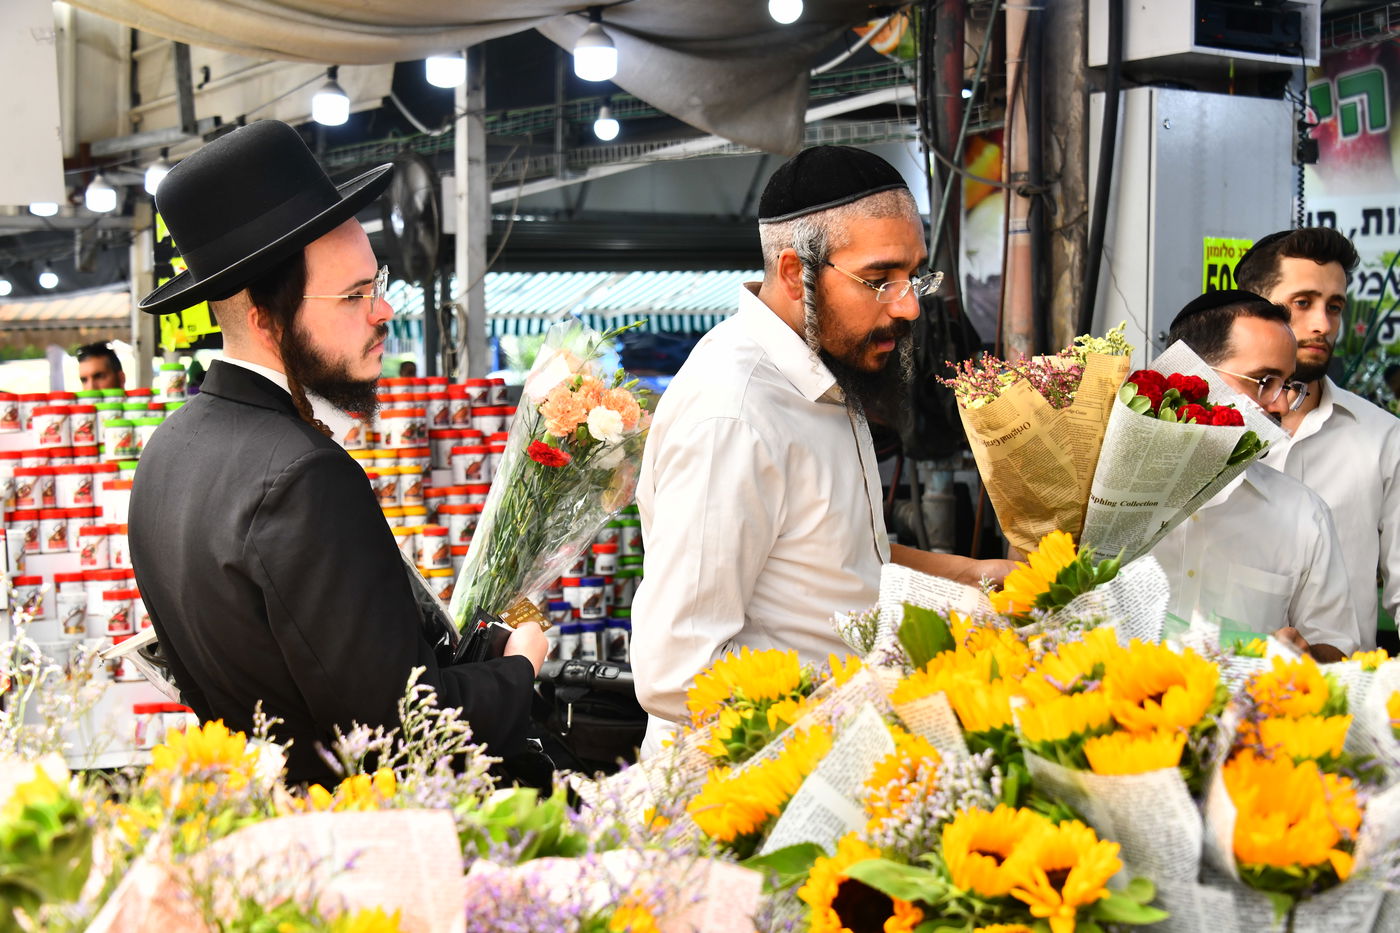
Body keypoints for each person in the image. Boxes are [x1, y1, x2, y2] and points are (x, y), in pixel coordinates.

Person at [128, 121, 546, 785]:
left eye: (375, 284)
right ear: (263, 315)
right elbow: (397, 732)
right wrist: (519, 665)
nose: (382, 311)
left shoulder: (167, 453)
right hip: (355, 846)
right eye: (353, 296)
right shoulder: (304, 476)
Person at [630, 146, 1014, 753]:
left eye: (914, 277)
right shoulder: (735, 414)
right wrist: (864, 704)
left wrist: (976, 576)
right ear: (793, 274)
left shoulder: (824, 374)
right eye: (880, 280)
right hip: (756, 789)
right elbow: (677, 673)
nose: (909, 306)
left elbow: (832, 552)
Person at [1151, 290, 1360, 660]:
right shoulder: (1093, 492)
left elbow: (1337, 647)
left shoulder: (1302, 515)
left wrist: (1306, 657)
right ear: (1189, 374)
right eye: (1263, 381)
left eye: (1287, 385)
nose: (1279, 404)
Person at [1234, 228, 1400, 652]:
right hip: (1212, 698)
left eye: (1335, 306)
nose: (1322, 325)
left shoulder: (1382, 437)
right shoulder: (1203, 430)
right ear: (1254, 308)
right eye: (1302, 303)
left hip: (1341, 703)